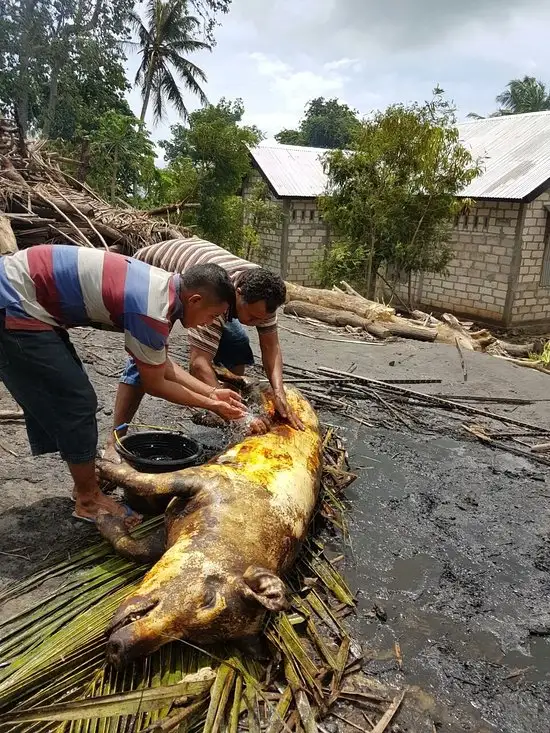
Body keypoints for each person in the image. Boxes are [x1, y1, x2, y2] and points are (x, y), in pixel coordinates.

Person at [0, 244, 246, 526]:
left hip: (26, 291)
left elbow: (160, 363)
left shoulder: (163, 287)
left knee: (67, 392)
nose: (210, 322)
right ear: (195, 300)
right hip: (15, 300)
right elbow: (155, 383)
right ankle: (88, 499)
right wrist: (212, 404)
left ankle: (85, 481)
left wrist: (213, 391)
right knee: (76, 402)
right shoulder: (152, 308)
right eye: (212, 315)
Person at [105, 238, 303, 457]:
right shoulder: (213, 298)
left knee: (237, 342)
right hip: (155, 273)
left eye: (261, 319)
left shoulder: (265, 296)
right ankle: (115, 440)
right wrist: (229, 408)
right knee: (145, 359)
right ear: (237, 293)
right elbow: (198, 364)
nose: (255, 322)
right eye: (252, 316)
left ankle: (230, 409)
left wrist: (279, 392)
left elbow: (271, 347)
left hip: (199, 270)